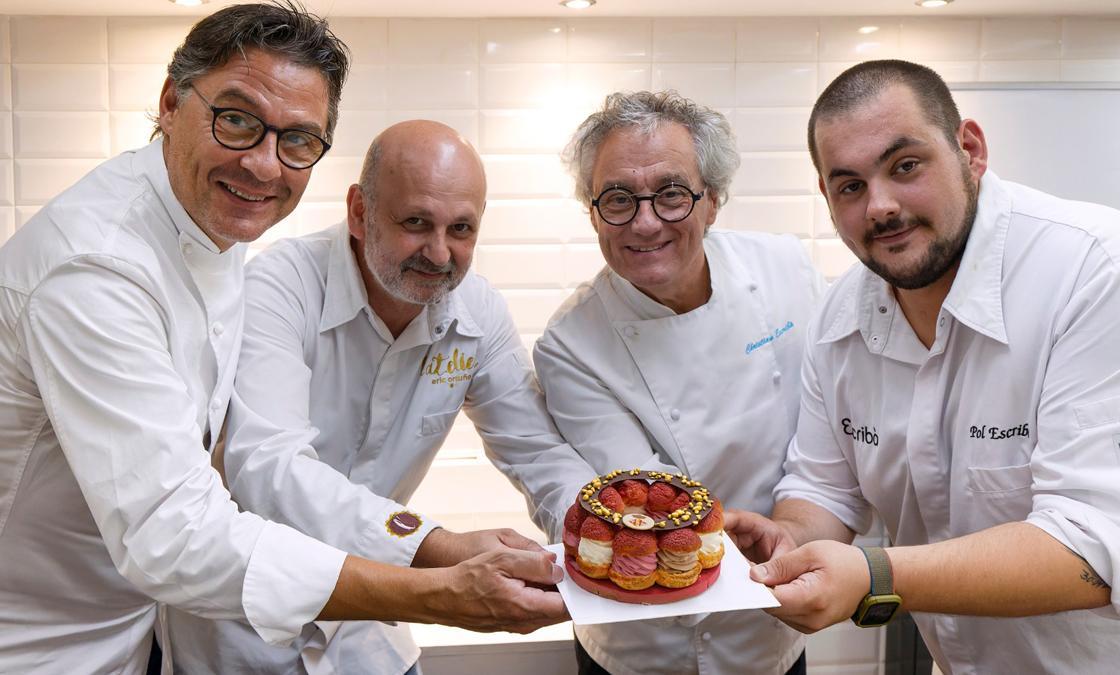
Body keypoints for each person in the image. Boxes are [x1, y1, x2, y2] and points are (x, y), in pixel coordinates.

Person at [0, 6, 564, 674]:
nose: (265, 166)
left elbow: (534, 443)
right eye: (236, 120)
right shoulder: (97, 267)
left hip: (134, 627)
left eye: (298, 140)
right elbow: (179, 530)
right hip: (37, 646)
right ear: (170, 104)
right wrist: (434, 585)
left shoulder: (215, 227)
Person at [725, 59, 1120, 673]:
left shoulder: (1109, 277)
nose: (881, 207)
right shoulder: (841, 317)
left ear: (969, 149)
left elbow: (1099, 547)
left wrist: (874, 575)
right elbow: (825, 487)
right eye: (849, 186)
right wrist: (790, 540)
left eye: (905, 166)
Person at [167, 120, 598, 674]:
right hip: (243, 629)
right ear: (359, 211)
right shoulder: (281, 286)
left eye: (461, 228)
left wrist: (595, 531)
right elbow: (267, 467)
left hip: (368, 634)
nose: (439, 253)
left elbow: (537, 450)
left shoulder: (477, 312)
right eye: (416, 222)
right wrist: (439, 548)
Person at [533, 90, 824, 675]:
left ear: (713, 200)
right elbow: (642, 503)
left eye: (671, 195)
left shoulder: (786, 271)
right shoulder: (571, 344)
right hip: (639, 637)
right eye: (617, 199)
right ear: (592, 212)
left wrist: (800, 532)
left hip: (770, 617)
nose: (645, 223)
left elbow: (823, 437)